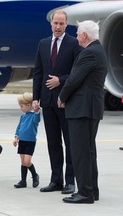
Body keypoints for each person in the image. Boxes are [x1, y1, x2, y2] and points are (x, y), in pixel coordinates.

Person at [58, 20, 108, 204]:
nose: (77, 36)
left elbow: (73, 79)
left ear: (85, 35)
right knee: (88, 152)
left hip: (82, 109)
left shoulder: (89, 53)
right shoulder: (97, 50)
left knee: (81, 153)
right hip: (90, 108)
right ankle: (91, 190)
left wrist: (61, 97)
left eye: (78, 33)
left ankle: (85, 193)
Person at [32, 10, 82, 194]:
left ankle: (70, 181)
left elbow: (79, 71)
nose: (58, 27)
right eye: (56, 23)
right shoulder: (43, 44)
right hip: (47, 101)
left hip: (66, 101)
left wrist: (60, 80)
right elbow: (38, 73)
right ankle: (56, 180)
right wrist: (35, 98)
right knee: (53, 143)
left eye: (62, 24)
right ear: (51, 24)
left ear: (66, 25)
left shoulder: (74, 44)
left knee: (69, 142)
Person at [13, 92, 40, 189]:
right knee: (23, 162)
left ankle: (35, 175)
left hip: (30, 142)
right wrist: (16, 137)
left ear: (28, 105)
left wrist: (37, 111)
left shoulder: (34, 116)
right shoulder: (23, 116)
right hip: (22, 141)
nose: (21, 108)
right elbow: (19, 127)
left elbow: (37, 119)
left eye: (22, 106)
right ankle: (23, 181)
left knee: (27, 161)